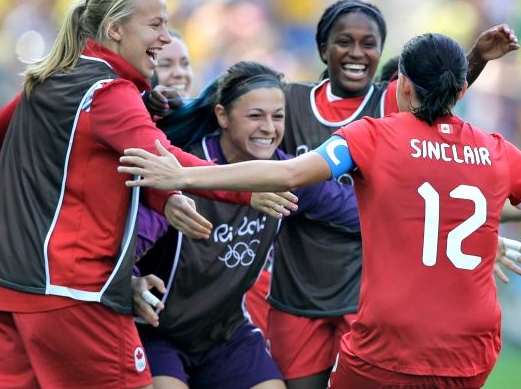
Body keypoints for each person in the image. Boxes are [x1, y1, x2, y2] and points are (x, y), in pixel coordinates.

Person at [118, 32, 521, 389]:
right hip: (472, 347)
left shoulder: (373, 137)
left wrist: (181, 175)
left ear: (401, 85)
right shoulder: (495, 150)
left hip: (387, 346)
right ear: (462, 89)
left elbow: (286, 173)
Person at [0, 0, 295, 389]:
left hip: (0, 289)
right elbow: (165, 160)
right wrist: (246, 189)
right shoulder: (110, 93)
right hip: (73, 295)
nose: (165, 36)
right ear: (116, 29)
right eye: (156, 24)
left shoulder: (52, 78)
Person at [271, 0, 520, 389]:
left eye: (369, 43)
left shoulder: (387, 106)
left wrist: (477, 57)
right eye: (344, 41)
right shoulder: (289, 102)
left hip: (365, 299)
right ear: (323, 48)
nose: (357, 52)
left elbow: (438, 94)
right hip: (298, 290)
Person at [132, 61, 362, 389]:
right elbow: (131, 238)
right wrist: (131, 282)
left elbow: (356, 211)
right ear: (222, 116)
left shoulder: (288, 174)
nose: (268, 127)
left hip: (227, 336)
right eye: (255, 116)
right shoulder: (184, 168)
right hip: (159, 333)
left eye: (277, 116)